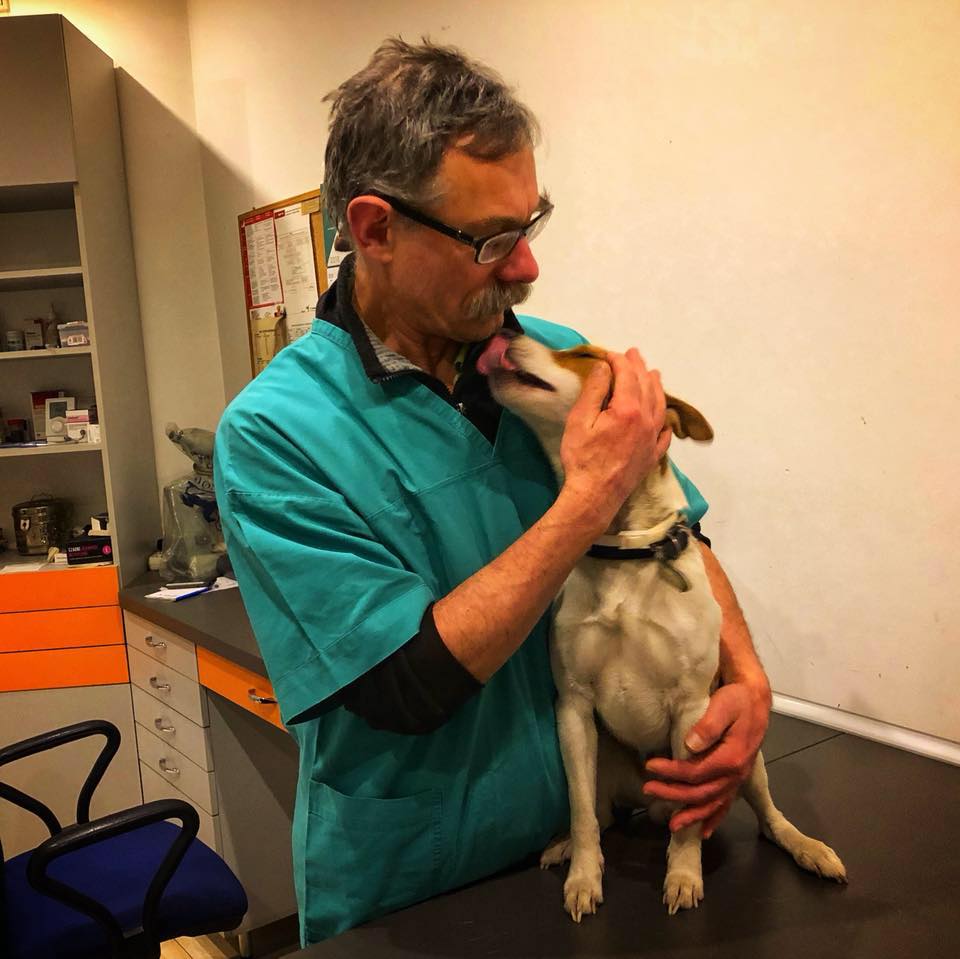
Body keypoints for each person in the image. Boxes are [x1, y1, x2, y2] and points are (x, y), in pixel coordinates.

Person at [214, 38, 771, 945]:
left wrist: (746, 680)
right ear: (375, 230)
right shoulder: (277, 434)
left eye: (530, 224)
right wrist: (589, 495)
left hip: (590, 849)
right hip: (419, 887)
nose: (526, 268)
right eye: (491, 240)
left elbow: (674, 532)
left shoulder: (549, 360)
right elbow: (403, 682)